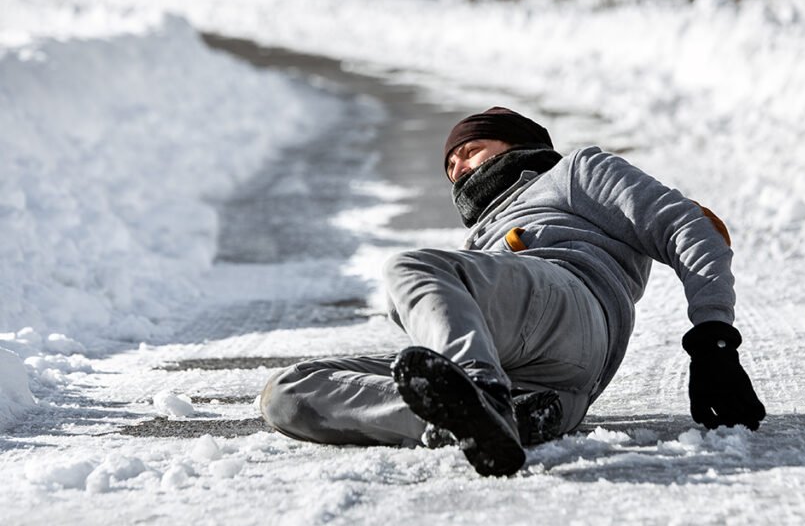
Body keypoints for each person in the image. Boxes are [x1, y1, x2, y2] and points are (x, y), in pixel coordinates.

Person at [259, 107, 765, 477]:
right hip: (553, 384)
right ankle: (474, 419)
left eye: (469, 150)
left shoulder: (575, 174)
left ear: (516, 144)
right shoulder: (478, 239)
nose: (457, 168)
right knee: (288, 392)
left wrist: (713, 339)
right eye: (449, 166)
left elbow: (691, 227)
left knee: (409, 268)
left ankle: (480, 391)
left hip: (572, 303)